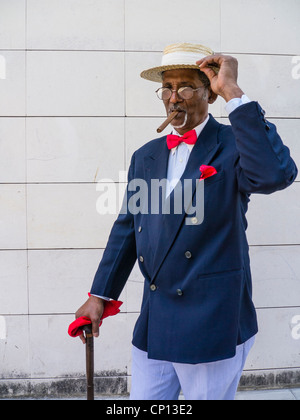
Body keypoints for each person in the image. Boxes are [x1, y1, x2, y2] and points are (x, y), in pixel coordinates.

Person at [75, 43, 298, 400]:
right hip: (156, 319)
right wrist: (99, 294)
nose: (173, 97)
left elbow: (276, 175)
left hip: (213, 318)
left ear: (209, 95)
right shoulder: (145, 156)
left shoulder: (234, 143)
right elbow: (129, 227)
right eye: (167, 88)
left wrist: (234, 93)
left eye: (186, 88)